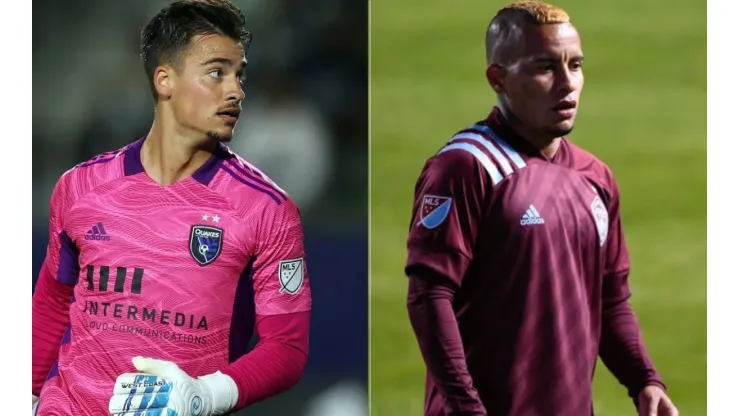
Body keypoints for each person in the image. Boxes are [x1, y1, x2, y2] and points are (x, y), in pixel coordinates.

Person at [31, 1, 311, 415]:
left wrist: (204, 395)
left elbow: (286, 347)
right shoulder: (81, 187)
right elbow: (54, 302)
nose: (236, 90)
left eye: (240, 75)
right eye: (217, 73)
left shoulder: (266, 210)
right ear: (165, 80)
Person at [404, 2, 679, 415]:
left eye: (576, 65)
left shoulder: (595, 177)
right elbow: (429, 295)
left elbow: (611, 299)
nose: (567, 83)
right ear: (499, 79)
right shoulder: (466, 167)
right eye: (545, 67)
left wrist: (644, 380)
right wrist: (467, 408)